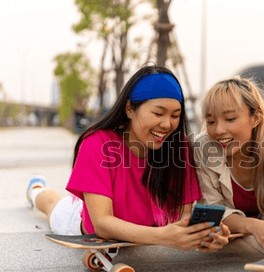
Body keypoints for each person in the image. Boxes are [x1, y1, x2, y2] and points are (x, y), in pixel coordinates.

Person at [27, 65, 229, 252]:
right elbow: (102, 224)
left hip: (150, 231)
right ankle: (35, 189)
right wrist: (164, 237)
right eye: (158, 113)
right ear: (130, 109)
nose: (167, 124)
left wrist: (200, 235)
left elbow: (183, 217)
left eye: (175, 115)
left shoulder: (179, 147)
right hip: (82, 220)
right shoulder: (97, 143)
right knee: (52, 204)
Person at [194, 76, 264, 253]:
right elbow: (212, 210)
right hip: (229, 238)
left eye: (230, 119)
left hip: (262, 228)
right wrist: (252, 226)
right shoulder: (202, 148)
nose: (218, 130)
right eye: (211, 121)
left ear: (255, 118)